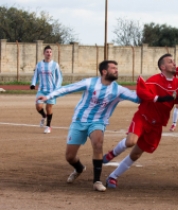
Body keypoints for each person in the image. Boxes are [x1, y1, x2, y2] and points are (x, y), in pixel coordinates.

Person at [36, 60, 140, 192]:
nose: (116, 70)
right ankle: (79, 168)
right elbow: (68, 88)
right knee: (70, 156)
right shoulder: (90, 83)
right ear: (104, 72)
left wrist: (157, 94)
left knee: (98, 143)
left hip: (98, 122)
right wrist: (48, 96)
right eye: (113, 68)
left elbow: (137, 97)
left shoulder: (118, 90)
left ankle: (97, 181)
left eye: (116, 68)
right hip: (79, 120)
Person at [102, 53, 178, 189]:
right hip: (143, 117)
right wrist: (158, 98)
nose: (174, 64)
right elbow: (142, 92)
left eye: (174, 61)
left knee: (136, 154)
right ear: (163, 67)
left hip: (157, 125)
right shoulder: (154, 80)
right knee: (131, 141)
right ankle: (112, 154)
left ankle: (113, 177)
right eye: (170, 62)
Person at [30, 45, 63, 134]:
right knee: (38, 106)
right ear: (44, 53)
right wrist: (33, 84)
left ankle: (48, 126)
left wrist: (57, 86)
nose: (49, 53)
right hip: (41, 89)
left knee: (49, 107)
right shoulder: (39, 64)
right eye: (47, 52)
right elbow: (36, 75)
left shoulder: (55, 65)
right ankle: (44, 116)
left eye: (50, 52)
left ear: (52, 54)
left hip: (52, 90)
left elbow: (59, 77)